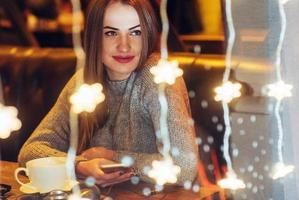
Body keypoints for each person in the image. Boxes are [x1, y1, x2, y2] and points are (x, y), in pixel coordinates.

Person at [18, 0, 198, 187]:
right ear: (94, 37)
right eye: (111, 33)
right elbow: (30, 151)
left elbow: (183, 167)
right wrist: (79, 166)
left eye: (135, 32)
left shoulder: (159, 77)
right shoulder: (84, 81)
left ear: (148, 35)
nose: (124, 46)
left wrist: (111, 157)